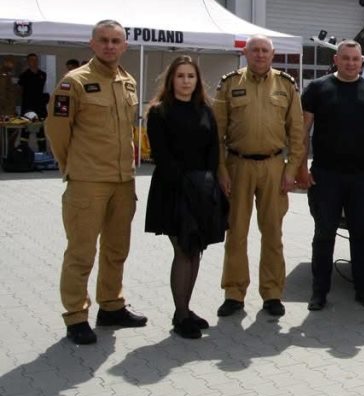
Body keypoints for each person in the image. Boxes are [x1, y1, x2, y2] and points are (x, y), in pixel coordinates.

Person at [45, 20, 146, 345]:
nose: (109, 46)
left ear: (124, 46)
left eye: (116, 41)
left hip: (123, 181)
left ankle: (111, 305)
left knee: (117, 249)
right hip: (88, 182)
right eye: (103, 40)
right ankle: (76, 315)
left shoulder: (127, 81)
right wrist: (72, 167)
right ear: (92, 44)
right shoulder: (73, 82)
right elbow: (57, 131)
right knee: (81, 252)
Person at [214, 35, 305, 318]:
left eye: (265, 50)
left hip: (274, 167)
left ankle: (272, 293)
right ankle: (234, 293)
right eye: (255, 50)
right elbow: (216, 133)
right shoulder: (230, 84)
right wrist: (221, 170)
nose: (260, 55)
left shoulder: (286, 85)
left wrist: (291, 170)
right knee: (236, 233)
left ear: (273, 54)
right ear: (246, 52)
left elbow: (297, 133)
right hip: (238, 166)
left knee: (273, 234)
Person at [298, 40, 364, 311]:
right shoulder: (317, 88)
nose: (351, 63)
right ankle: (319, 292)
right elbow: (302, 131)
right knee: (324, 234)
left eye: (355, 59)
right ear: (336, 60)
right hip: (325, 175)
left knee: (361, 233)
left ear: (362, 62)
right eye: (346, 58)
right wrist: (300, 167)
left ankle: (363, 290)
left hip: (362, 176)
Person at [145, 56, 228, 339]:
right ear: (171, 80)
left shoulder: (205, 110)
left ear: (197, 80)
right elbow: (161, 155)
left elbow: (213, 151)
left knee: (195, 249)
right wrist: (186, 184)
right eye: (180, 76)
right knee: (182, 249)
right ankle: (180, 315)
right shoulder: (159, 112)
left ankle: (186, 309)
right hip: (174, 189)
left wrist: (211, 183)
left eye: (190, 76)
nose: (185, 81)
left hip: (203, 189)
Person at [19, 52, 47, 117]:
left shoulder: (42, 74)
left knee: (42, 120)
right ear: (28, 62)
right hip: (28, 104)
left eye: (36, 60)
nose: (34, 62)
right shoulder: (24, 75)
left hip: (40, 104)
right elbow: (20, 89)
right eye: (32, 60)